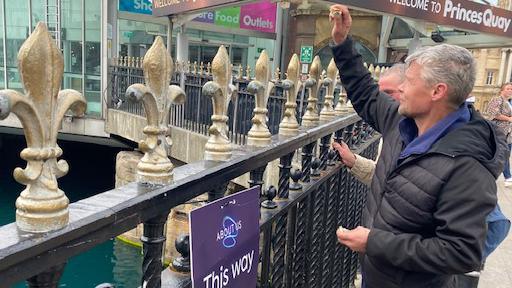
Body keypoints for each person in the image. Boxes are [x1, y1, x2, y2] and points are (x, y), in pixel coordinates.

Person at [329, 4, 507, 288]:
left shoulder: (467, 165)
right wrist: (341, 42)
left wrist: (375, 242)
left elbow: (461, 252)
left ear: (437, 91)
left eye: (409, 83)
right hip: (376, 277)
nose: (401, 90)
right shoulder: (402, 120)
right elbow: (365, 93)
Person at [335, 64, 405, 185]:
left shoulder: (414, 130)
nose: (383, 99)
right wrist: (353, 161)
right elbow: (384, 178)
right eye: (380, 94)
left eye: (389, 92)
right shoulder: (395, 127)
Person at [485, 82, 512, 186]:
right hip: (500, 132)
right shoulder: (497, 100)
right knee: (502, 154)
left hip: (508, 134)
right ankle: (508, 177)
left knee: (504, 154)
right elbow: (493, 113)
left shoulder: (509, 102)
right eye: (508, 89)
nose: (510, 91)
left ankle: (505, 176)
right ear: (502, 90)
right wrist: (509, 119)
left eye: (511, 89)